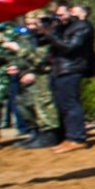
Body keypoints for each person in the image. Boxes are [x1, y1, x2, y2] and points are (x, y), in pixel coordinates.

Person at [43, 2, 95, 152]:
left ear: (70, 12)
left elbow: (69, 47)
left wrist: (50, 33)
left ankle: (77, 137)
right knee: (62, 104)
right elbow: (44, 42)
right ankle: (68, 136)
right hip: (58, 69)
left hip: (71, 68)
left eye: (61, 14)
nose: (58, 18)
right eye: (56, 15)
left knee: (70, 104)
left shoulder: (82, 26)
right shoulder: (61, 27)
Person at [13, 13, 61, 149]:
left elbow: (40, 59)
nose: (32, 27)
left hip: (44, 75)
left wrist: (18, 50)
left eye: (35, 23)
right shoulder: (30, 37)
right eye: (28, 24)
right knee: (29, 105)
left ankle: (50, 135)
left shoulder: (48, 37)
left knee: (45, 104)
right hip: (29, 74)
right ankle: (38, 133)